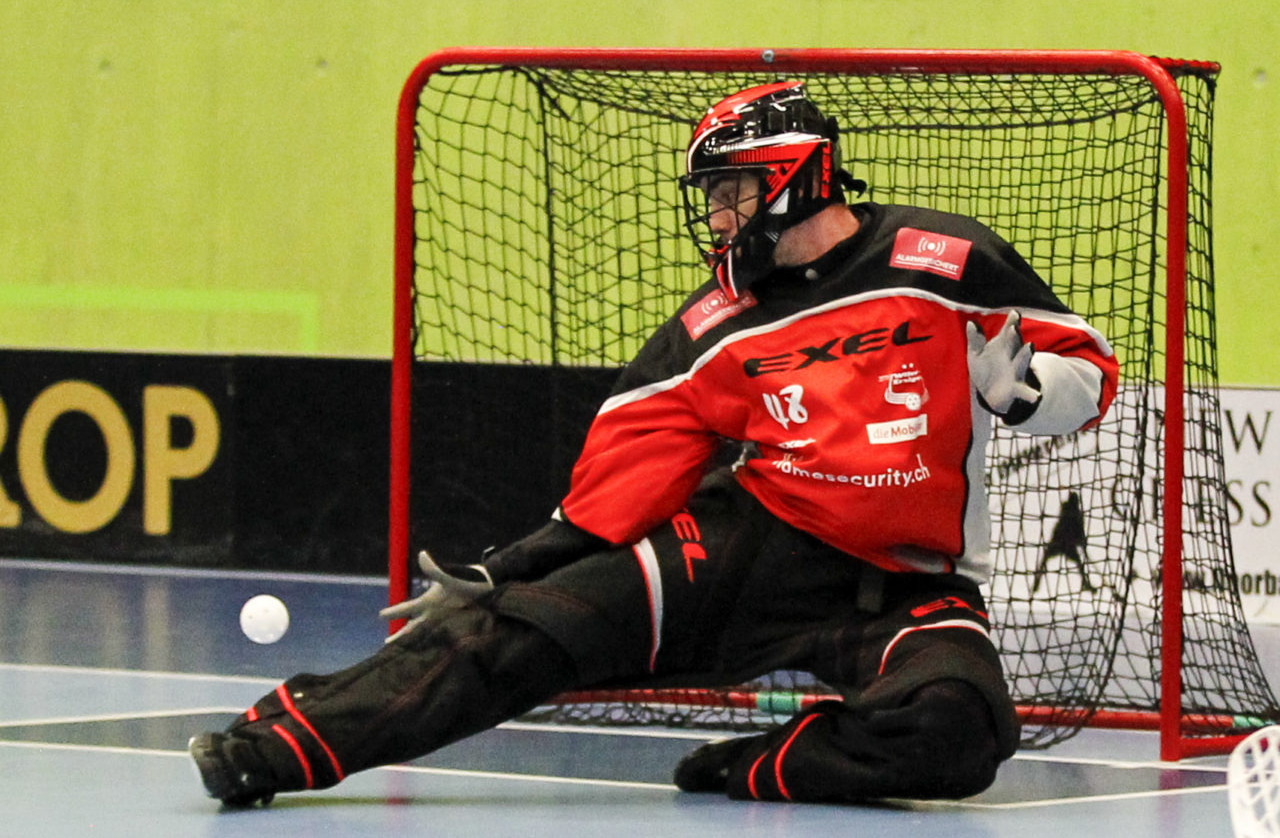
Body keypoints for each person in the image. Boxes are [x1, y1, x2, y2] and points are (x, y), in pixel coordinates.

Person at [189, 81, 1118, 807]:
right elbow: (631, 464)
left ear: (793, 175)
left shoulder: (947, 260)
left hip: (910, 582)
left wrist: (1027, 392)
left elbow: (1089, 373)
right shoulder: (715, 324)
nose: (716, 218)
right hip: (750, 548)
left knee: (960, 731)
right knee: (522, 632)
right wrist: (515, 567)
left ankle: (761, 768)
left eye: (730, 194)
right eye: (711, 197)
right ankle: (281, 743)